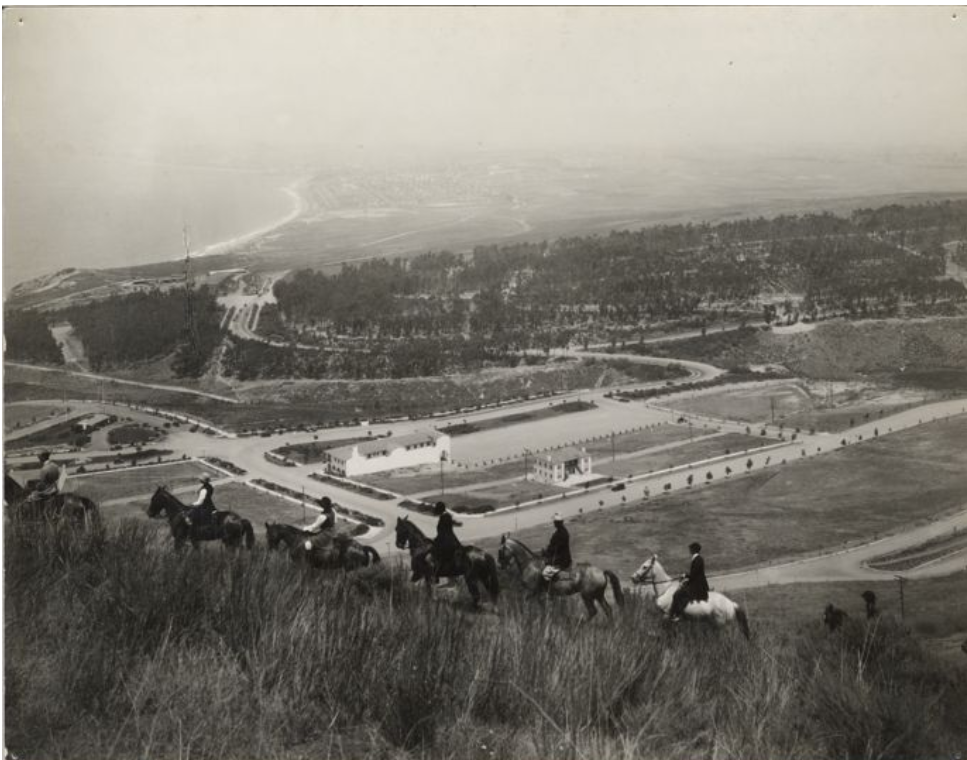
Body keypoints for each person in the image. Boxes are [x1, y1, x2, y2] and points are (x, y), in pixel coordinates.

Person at [668, 541, 709, 621]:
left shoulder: (697, 559)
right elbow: (694, 574)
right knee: (681, 589)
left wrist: (685, 576)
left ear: (693, 550)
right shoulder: (697, 558)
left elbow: (694, 575)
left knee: (677, 594)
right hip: (697, 582)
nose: (689, 550)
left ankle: (678, 615)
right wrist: (685, 576)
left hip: (698, 585)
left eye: (690, 549)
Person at [431, 501, 464, 585]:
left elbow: (443, 532)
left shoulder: (444, 517)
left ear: (439, 510)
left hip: (447, 541)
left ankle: (438, 576)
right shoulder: (446, 516)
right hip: (450, 540)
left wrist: (436, 540)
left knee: (436, 554)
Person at [541, 513, 572, 589]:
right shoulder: (560, 531)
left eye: (555, 522)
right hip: (561, 556)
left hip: (562, 559)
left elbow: (557, 547)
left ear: (558, 523)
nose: (554, 524)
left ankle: (550, 589)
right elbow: (553, 545)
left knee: (544, 572)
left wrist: (547, 552)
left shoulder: (562, 533)